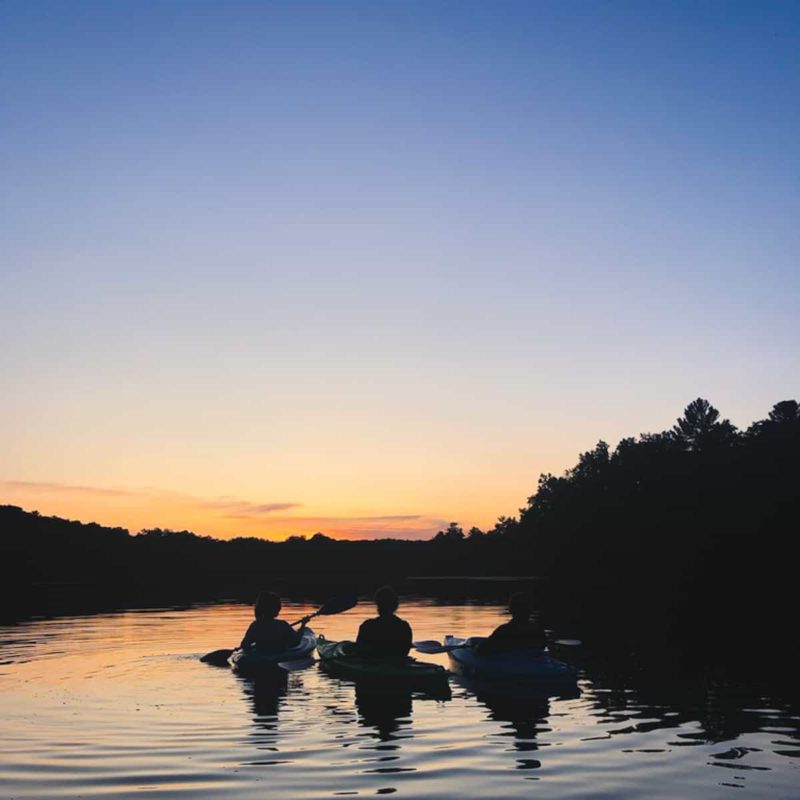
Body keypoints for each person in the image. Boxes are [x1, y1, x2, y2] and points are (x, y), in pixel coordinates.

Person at [478, 592, 546, 655]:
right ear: (530, 611)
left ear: (511, 610)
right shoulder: (538, 630)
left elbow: (481, 649)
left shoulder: (504, 630)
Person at [240, 591, 308, 653]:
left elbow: (245, 645)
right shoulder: (282, 625)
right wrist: (303, 625)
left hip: (261, 657)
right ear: (276, 609)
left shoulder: (255, 625)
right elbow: (296, 641)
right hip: (278, 657)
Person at [355, 585, 412, 658]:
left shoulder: (368, 626)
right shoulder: (404, 626)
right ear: (395, 606)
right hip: (397, 663)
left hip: (374, 663)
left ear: (377, 605)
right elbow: (405, 652)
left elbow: (360, 650)